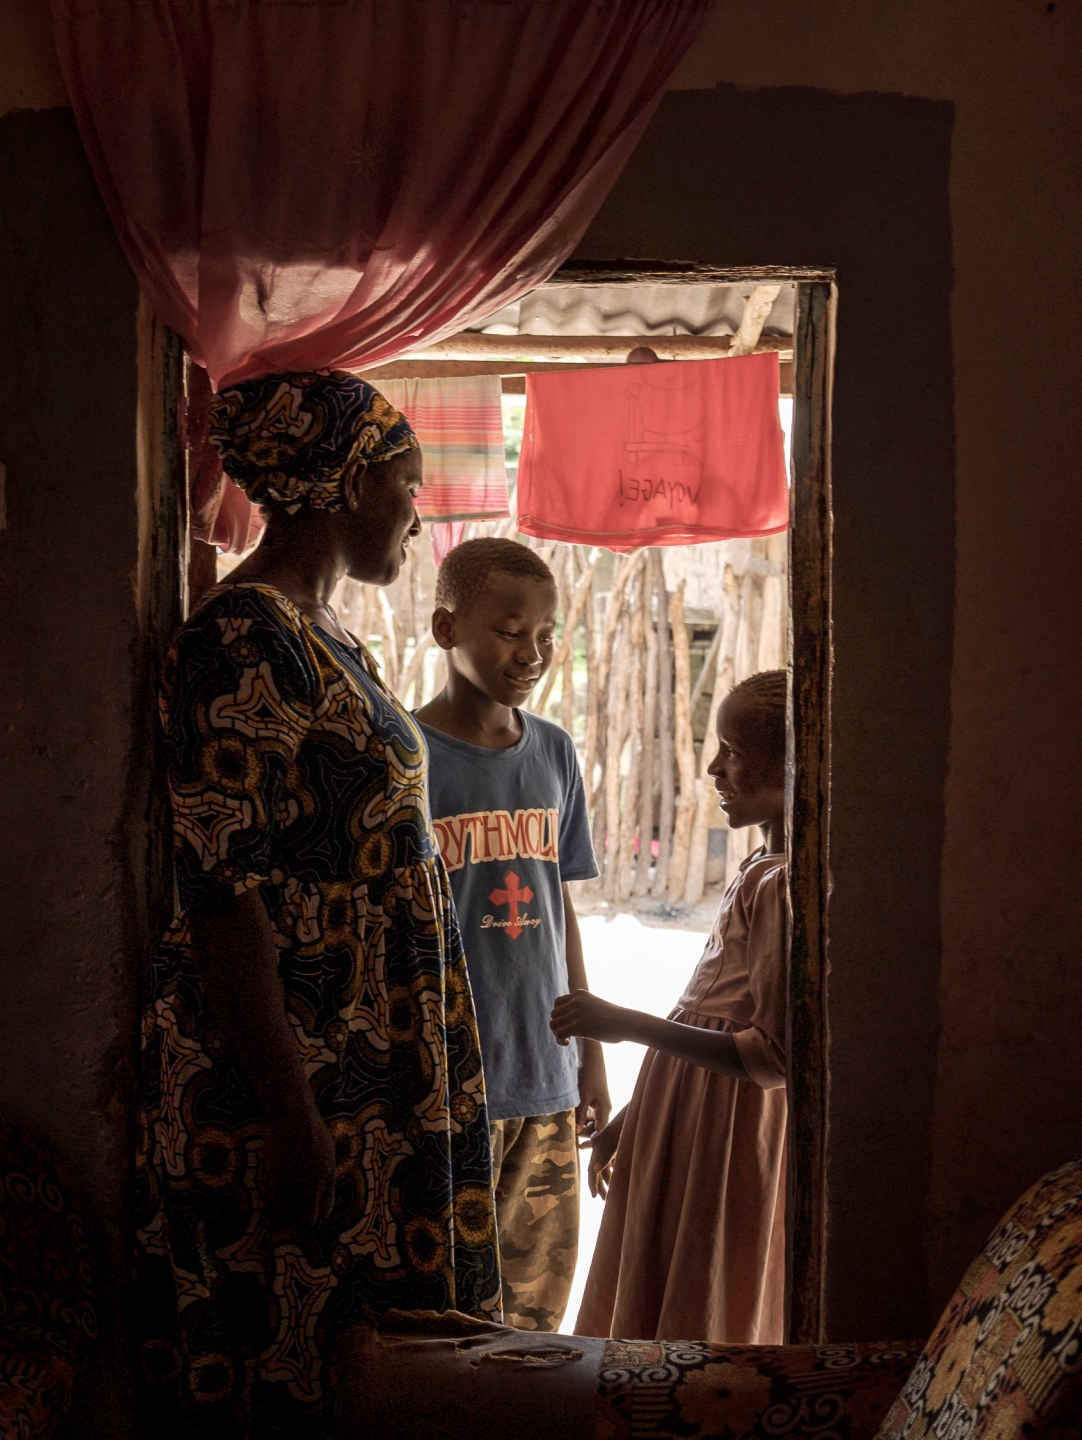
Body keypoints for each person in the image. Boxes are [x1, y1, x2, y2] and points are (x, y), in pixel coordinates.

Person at [135, 370, 500, 1436]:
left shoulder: (325, 634)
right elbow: (218, 893)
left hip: (367, 1049)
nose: (417, 511)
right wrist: (289, 1112)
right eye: (406, 482)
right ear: (343, 483)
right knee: (298, 1350)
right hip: (307, 1057)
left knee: (381, 1354)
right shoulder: (240, 641)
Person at [551, 668, 792, 1343]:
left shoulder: (781, 885)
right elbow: (704, 1012)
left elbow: (770, 1058)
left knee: (697, 1290)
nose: (714, 767)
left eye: (734, 752)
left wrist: (622, 1023)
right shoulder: (757, 867)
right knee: (664, 1280)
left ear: (795, 765)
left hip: (725, 1128)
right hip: (692, 1113)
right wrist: (637, 1115)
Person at [412, 537, 611, 1331]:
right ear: (445, 629)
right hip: (451, 1088)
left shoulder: (554, 753)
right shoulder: (411, 759)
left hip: (547, 1076)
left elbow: (561, 914)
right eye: (509, 630)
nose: (532, 653)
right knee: (450, 1317)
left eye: (546, 634)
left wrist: (590, 1056)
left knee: (536, 1316)